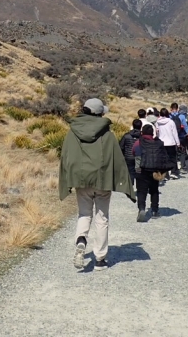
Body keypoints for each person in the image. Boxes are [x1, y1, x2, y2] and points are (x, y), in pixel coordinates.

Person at [59, 97, 135, 270]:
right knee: (102, 218)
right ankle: (100, 258)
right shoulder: (107, 133)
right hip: (102, 181)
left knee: (84, 214)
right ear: (100, 113)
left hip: (81, 181)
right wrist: (122, 181)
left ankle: (81, 241)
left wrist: (69, 179)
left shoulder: (73, 132)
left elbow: (67, 156)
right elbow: (116, 159)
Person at [134, 123, 167, 220]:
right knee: (154, 191)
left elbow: (133, 152)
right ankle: (154, 211)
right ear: (152, 133)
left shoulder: (138, 142)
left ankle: (142, 209)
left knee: (141, 191)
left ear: (142, 132)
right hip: (155, 170)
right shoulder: (158, 143)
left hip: (141, 169)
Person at [156, 108, 181, 178]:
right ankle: (174, 172)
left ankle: (164, 174)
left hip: (162, 143)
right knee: (172, 158)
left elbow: (157, 132)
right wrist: (178, 143)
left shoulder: (157, 122)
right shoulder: (171, 122)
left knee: (163, 159)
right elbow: (174, 133)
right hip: (171, 142)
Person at [120, 118, 144, 189]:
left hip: (128, 157)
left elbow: (121, 146)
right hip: (139, 157)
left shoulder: (126, 135)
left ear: (133, 126)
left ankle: (130, 186)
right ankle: (139, 186)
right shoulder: (142, 137)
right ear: (141, 126)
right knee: (138, 171)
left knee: (130, 172)